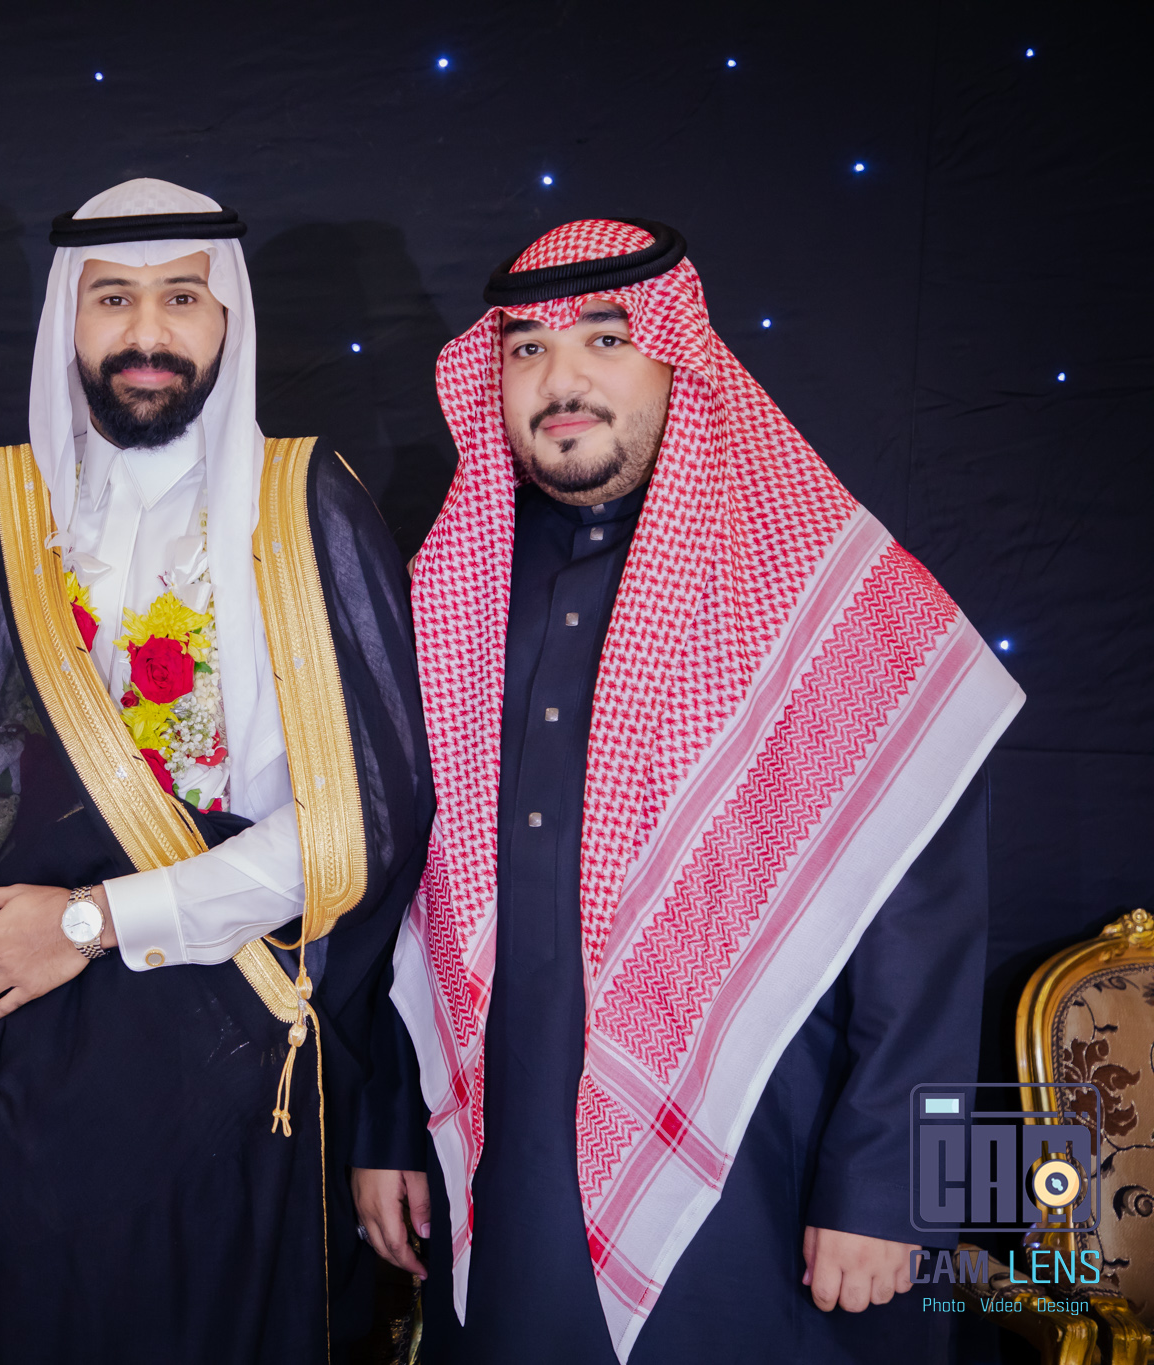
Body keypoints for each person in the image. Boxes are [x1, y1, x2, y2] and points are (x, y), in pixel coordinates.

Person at [354, 218, 1023, 1361]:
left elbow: (929, 934)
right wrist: (385, 1127)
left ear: (679, 358)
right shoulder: (444, 593)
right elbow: (395, 897)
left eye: (605, 339)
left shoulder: (830, 591)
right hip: (501, 1151)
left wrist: (897, 1194)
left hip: (767, 1159)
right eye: (525, 350)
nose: (560, 380)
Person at [0, 178, 432, 1364]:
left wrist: (94, 921)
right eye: (113, 299)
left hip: (235, 1056)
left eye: (180, 297)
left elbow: (363, 822)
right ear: (68, 319)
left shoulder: (306, 504)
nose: (147, 332)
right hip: (12, 1060)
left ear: (226, 317)